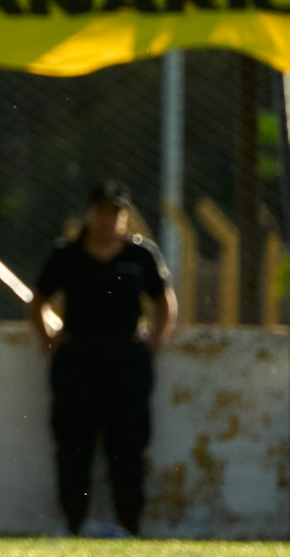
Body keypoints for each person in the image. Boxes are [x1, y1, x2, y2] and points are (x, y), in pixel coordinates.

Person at [28, 180, 178, 538]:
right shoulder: (66, 254)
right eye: (102, 211)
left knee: (127, 444)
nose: (108, 219)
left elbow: (163, 302)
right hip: (78, 358)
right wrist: (49, 338)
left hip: (126, 359)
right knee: (74, 444)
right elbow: (38, 301)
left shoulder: (141, 256)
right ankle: (73, 524)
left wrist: (155, 339)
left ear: (124, 217)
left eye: (116, 212)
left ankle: (130, 525)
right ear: (89, 213)